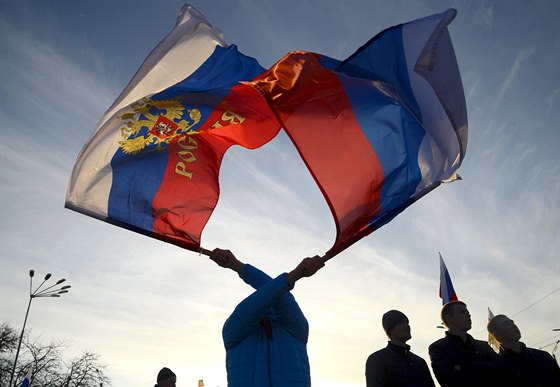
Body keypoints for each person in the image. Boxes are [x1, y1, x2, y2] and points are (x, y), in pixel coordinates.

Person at [209, 248, 325, 387]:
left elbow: (282, 297)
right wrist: (295, 274)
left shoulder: (296, 328)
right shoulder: (232, 331)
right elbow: (261, 300)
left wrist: (236, 265)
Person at [428, 300, 518, 387]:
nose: (469, 315)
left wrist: (464, 367)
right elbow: (449, 380)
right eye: (462, 312)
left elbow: (503, 369)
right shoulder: (438, 348)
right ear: (449, 318)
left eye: (468, 312)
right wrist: (486, 369)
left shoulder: (483, 346)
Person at [365, 309, 435, 387]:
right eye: (401, 323)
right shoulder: (377, 359)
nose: (407, 326)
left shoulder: (420, 362)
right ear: (390, 330)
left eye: (407, 322)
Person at [487, 314, 560, 386]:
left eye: (512, 322)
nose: (513, 325)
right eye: (506, 324)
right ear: (496, 334)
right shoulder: (497, 368)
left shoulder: (544, 356)